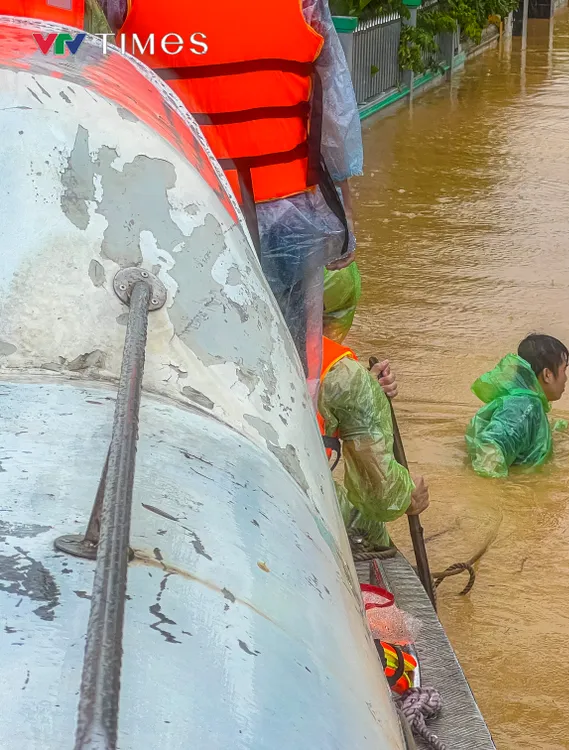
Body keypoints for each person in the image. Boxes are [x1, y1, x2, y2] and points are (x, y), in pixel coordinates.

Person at [100, 0, 364, 383]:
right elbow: (335, 111)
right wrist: (343, 212)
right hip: (282, 211)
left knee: (183, 355)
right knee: (288, 369)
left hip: (175, 211)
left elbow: (70, 51)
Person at [316, 331, 430, 549]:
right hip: (291, 498)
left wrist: (370, 391)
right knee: (368, 525)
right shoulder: (339, 368)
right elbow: (382, 495)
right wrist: (407, 494)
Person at [466, 334, 569, 478]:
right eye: (564, 370)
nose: (566, 378)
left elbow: (529, 428)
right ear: (547, 375)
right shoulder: (526, 406)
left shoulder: (527, 403)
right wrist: (502, 493)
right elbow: (490, 446)